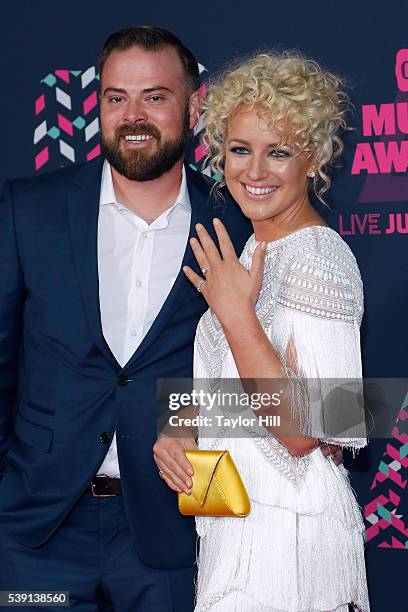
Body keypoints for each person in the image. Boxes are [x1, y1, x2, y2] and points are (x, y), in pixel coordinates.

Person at [0, 26, 254, 612]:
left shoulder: (241, 224)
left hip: (174, 530)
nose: (132, 116)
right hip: (38, 532)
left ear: (195, 106)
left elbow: (324, 402)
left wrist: (193, 413)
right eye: (116, 98)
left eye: (155, 97)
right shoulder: (30, 209)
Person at [154, 52, 370, 611]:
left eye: (278, 153)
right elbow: (239, 389)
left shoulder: (320, 255)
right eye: (240, 150)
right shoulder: (255, 246)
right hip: (237, 527)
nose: (254, 172)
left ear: (314, 159)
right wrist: (181, 427)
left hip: (293, 549)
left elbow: (311, 428)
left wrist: (236, 314)